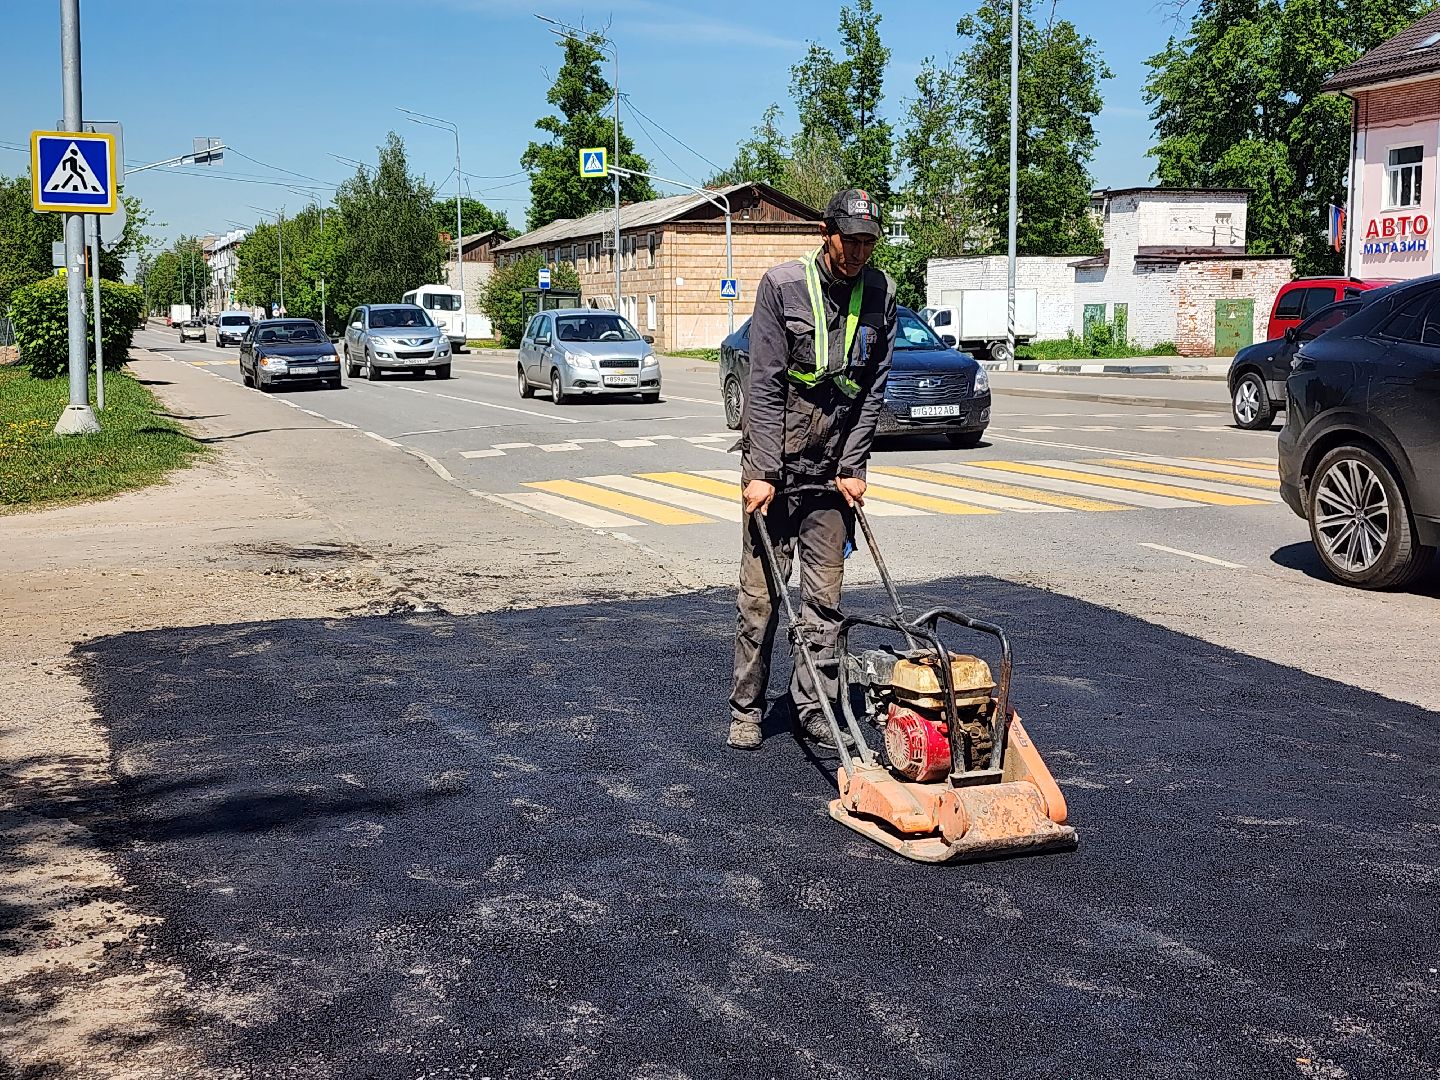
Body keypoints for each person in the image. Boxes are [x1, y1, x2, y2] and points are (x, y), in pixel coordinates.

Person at [728, 189, 898, 751]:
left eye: (868, 241)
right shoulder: (782, 286)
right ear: (826, 233)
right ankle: (747, 708)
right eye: (850, 238)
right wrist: (762, 471)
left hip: (830, 474)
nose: (858, 251)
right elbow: (766, 382)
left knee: (825, 600)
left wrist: (855, 465)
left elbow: (872, 389)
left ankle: (815, 705)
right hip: (774, 469)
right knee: (760, 600)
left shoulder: (882, 292)